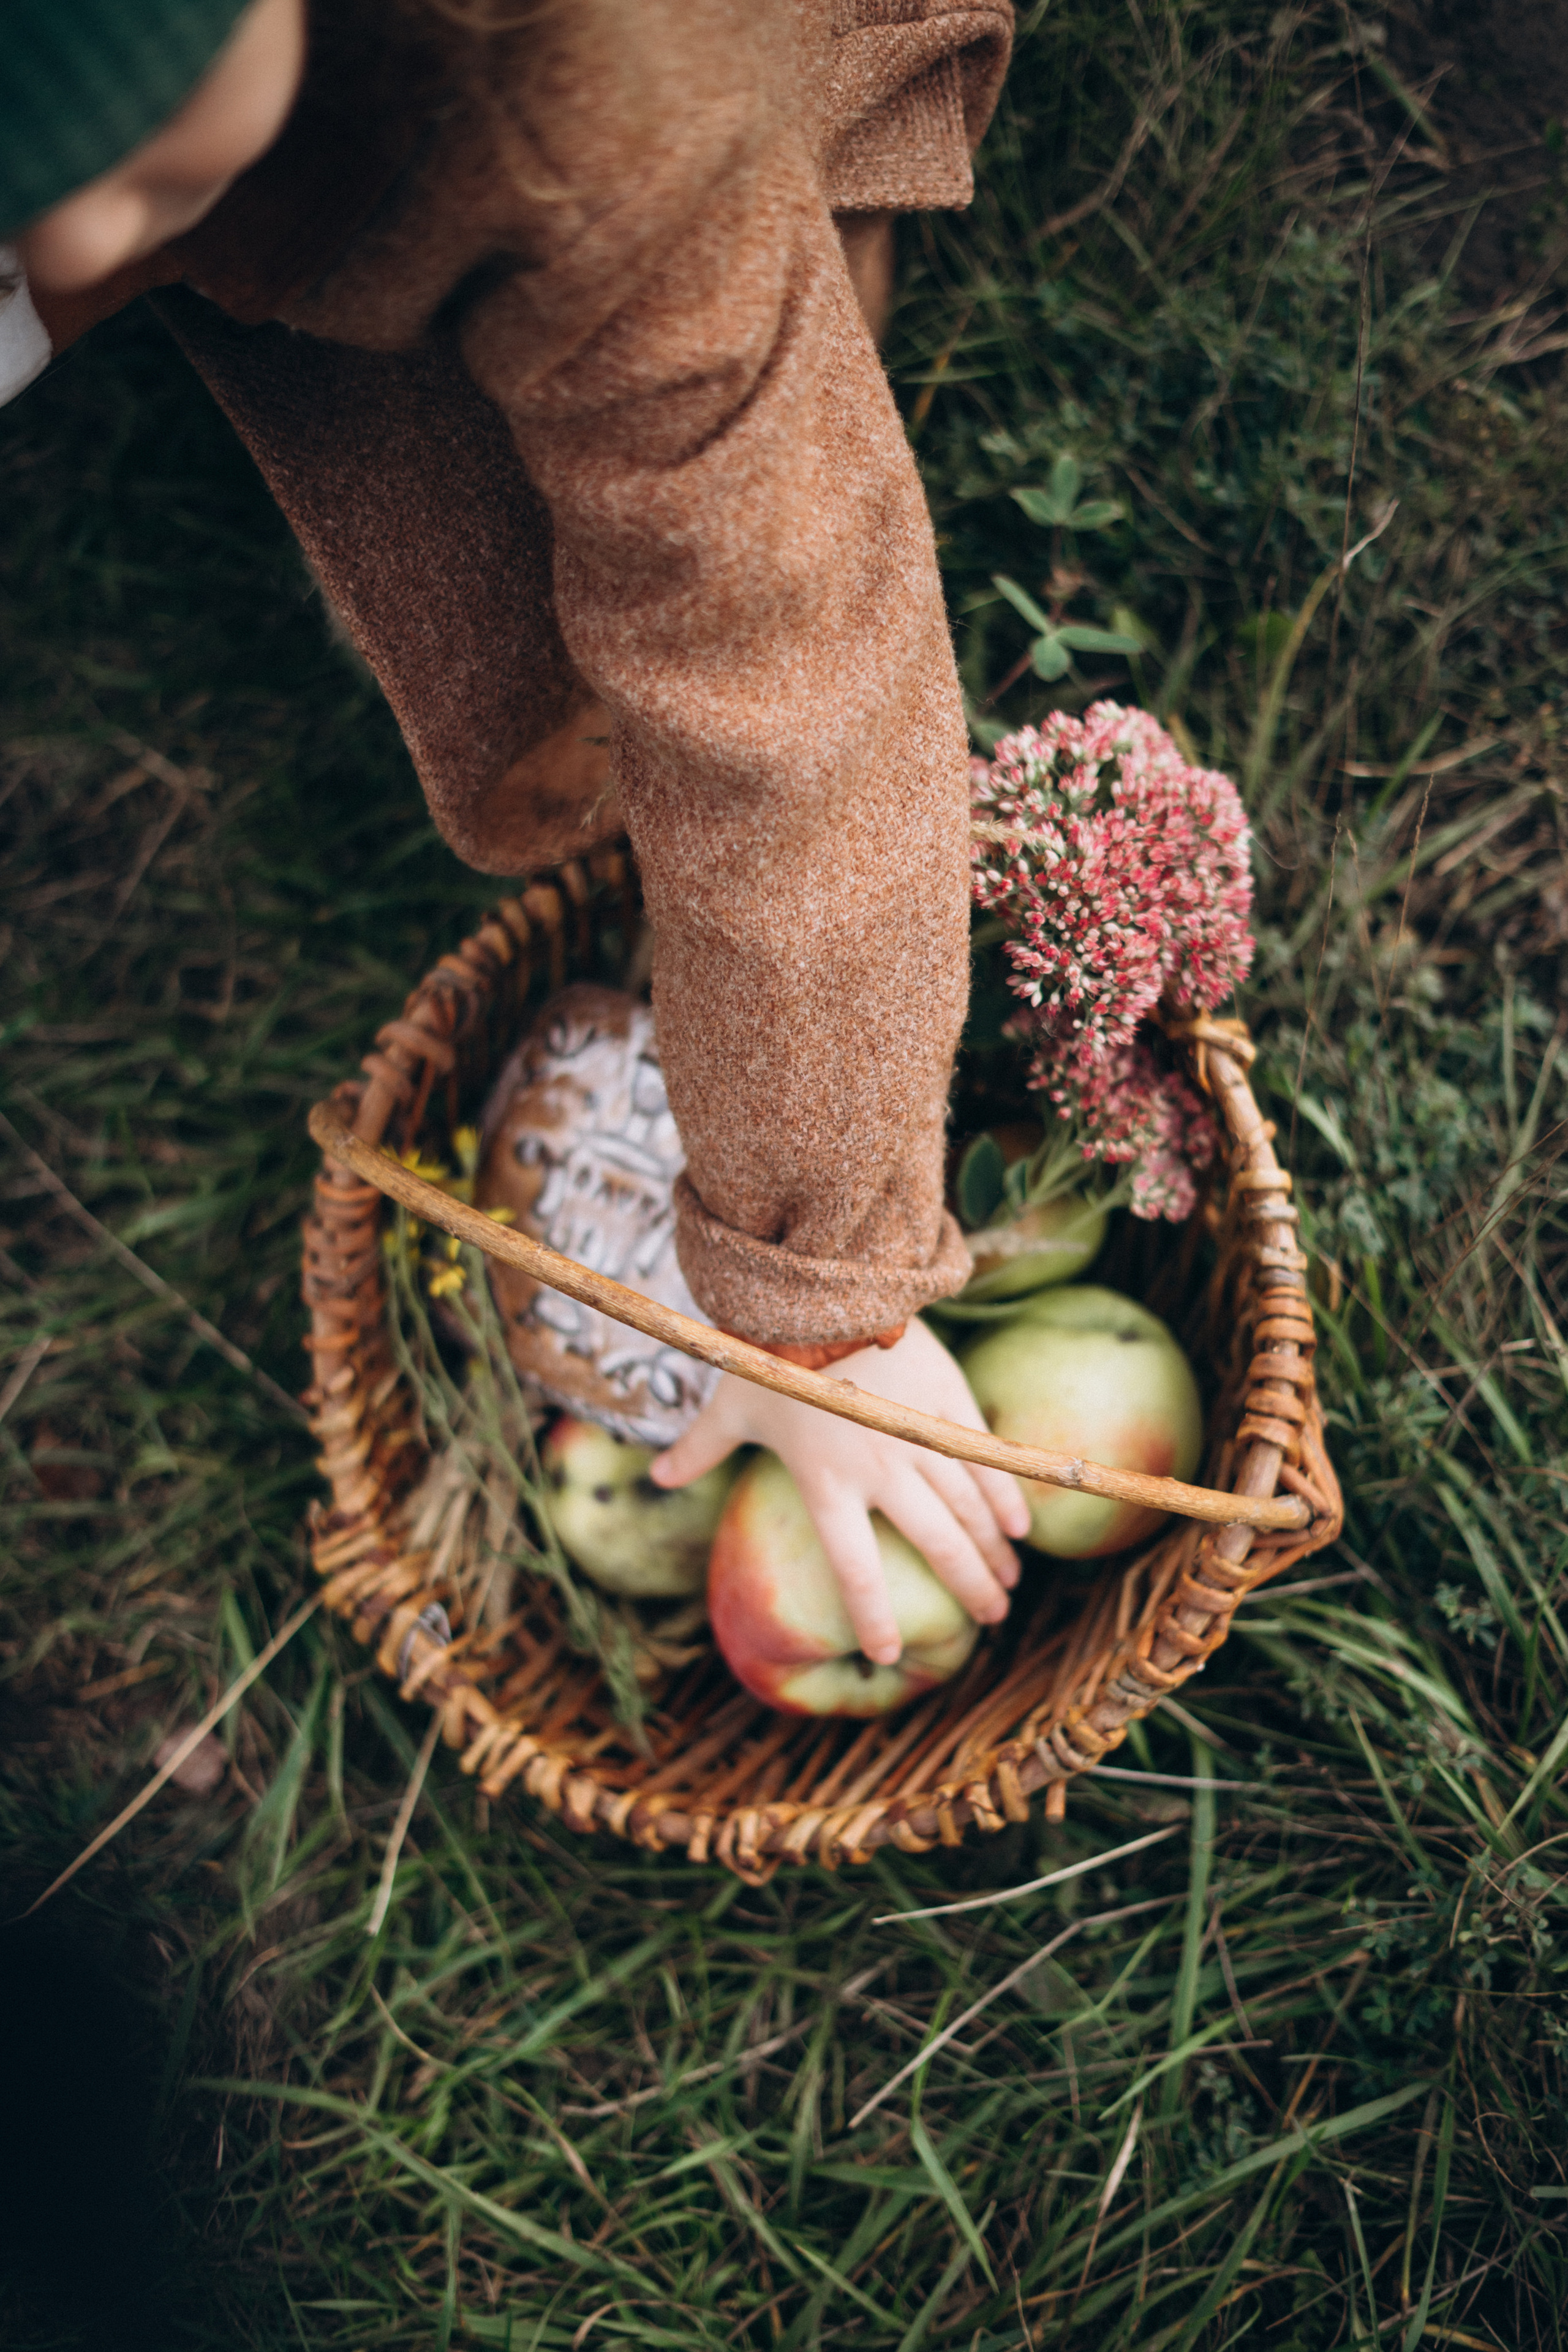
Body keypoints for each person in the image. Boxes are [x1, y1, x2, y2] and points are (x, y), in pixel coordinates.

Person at [2, 0, 1030, 1670]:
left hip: (618, 141)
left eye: (127, 162)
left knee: (717, 444)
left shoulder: (589, 95)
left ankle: (802, 261)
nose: (81, 236)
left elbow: (784, 676)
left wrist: (825, 1302)